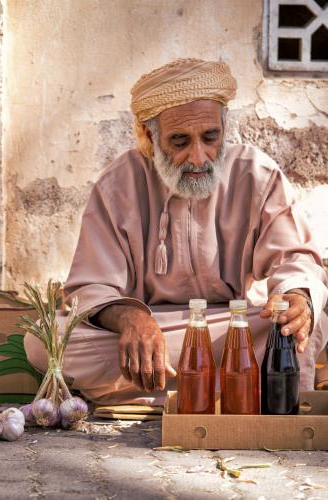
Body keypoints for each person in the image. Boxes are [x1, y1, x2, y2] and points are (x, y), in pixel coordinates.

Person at [24, 58, 328, 405]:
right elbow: (91, 285)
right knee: (43, 339)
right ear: (150, 137)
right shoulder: (118, 184)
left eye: (210, 137)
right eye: (180, 141)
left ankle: (162, 390)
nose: (198, 157)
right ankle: (229, 387)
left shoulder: (255, 174)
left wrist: (298, 297)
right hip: (150, 327)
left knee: (305, 324)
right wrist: (130, 318)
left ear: (223, 129)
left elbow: (296, 258)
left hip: (232, 328)